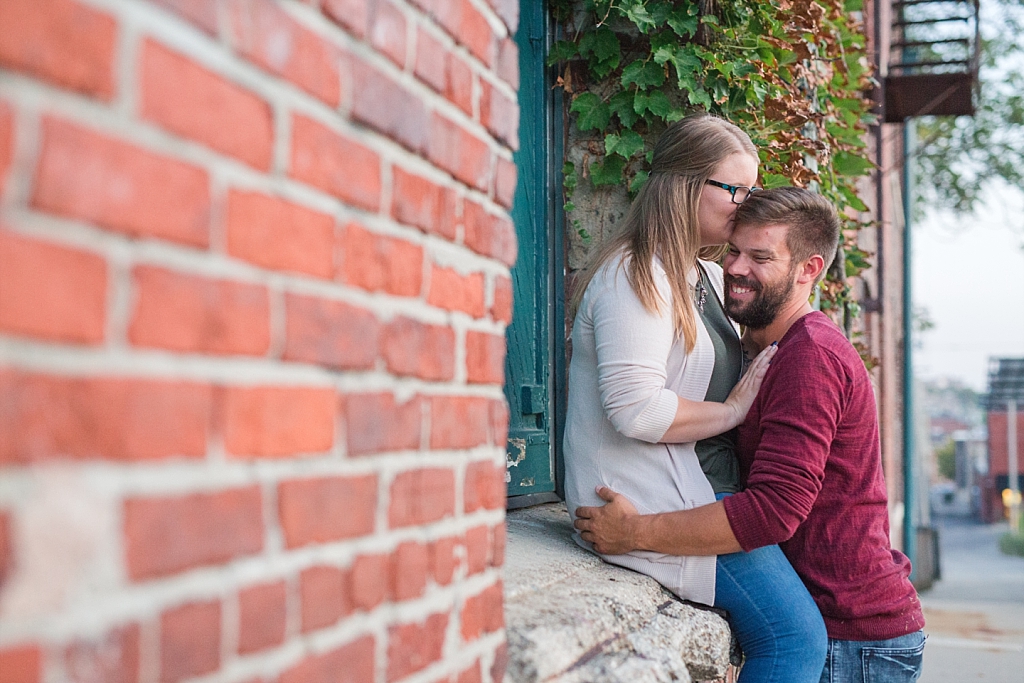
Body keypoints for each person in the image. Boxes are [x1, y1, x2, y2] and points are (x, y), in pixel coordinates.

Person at [574, 187, 927, 683]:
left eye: (761, 257)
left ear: (809, 269)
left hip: (854, 638)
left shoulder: (810, 357)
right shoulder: (762, 348)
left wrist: (634, 533)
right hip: (840, 626)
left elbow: (773, 511)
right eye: (734, 251)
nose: (737, 268)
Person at [564, 116, 827, 683]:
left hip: (694, 491)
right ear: (685, 186)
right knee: (794, 638)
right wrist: (731, 412)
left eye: (752, 190)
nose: (745, 203)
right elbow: (636, 408)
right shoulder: (635, 276)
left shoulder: (702, 274)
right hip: (641, 502)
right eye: (735, 190)